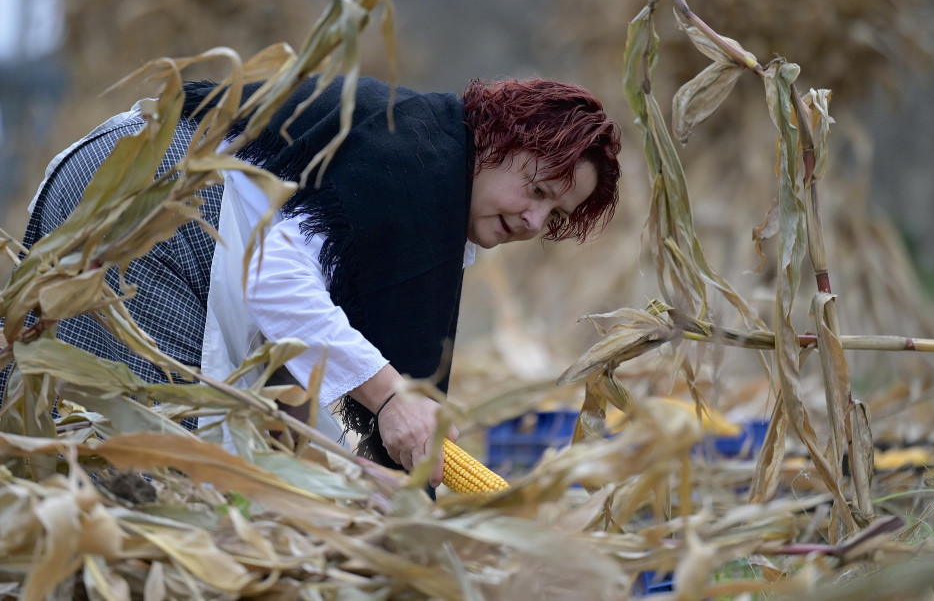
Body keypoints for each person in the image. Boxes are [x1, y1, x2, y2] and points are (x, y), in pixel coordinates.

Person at [0, 74, 621, 487]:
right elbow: (273, 279)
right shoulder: (418, 170)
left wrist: (340, 475)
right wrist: (389, 399)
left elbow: (292, 348)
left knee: (93, 444)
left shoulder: (418, 153)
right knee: (152, 472)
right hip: (159, 207)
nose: (535, 219)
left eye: (556, 216)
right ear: (494, 144)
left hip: (127, 181)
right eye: (536, 189)